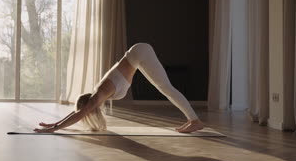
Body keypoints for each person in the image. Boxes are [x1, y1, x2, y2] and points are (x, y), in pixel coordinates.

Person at [34, 43, 204, 134]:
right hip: (138, 55)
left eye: (88, 108)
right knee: (165, 88)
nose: (89, 111)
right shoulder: (98, 94)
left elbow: (81, 113)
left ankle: (195, 121)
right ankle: (192, 120)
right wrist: (54, 123)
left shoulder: (100, 93)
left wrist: (54, 129)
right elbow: (79, 111)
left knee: (166, 87)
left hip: (140, 52)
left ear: (90, 104)